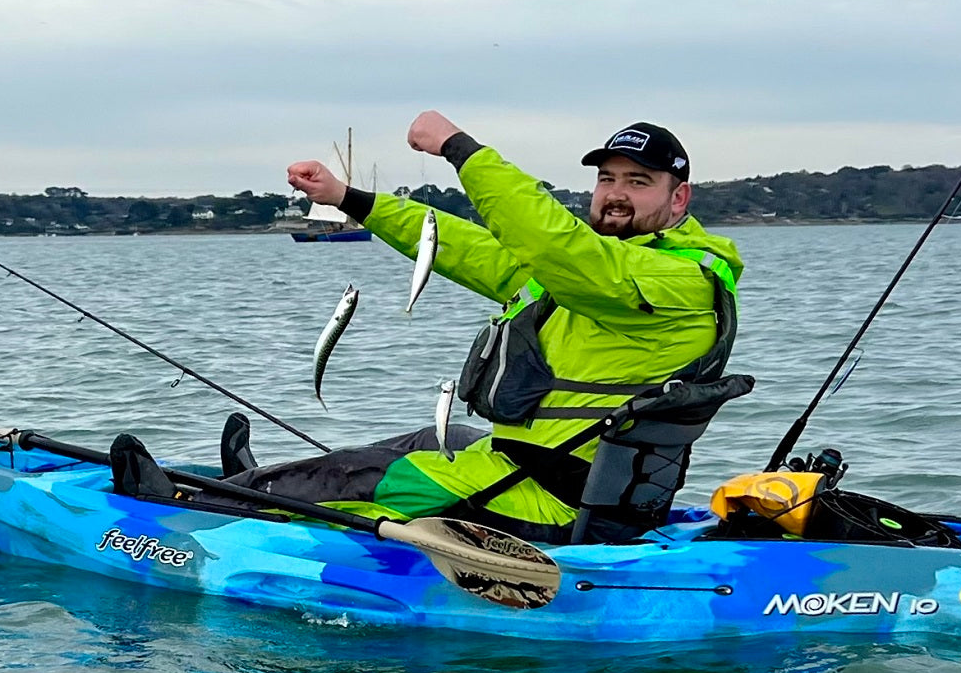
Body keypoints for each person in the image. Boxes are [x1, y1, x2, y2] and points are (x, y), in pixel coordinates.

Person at [112, 110, 745, 543]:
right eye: (607, 179)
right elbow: (465, 248)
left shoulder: (676, 281)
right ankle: (253, 488)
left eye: (639, 182)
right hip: (535, 464)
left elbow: (555, 243)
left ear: (679, 199)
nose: (614, 193)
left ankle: (183, 516)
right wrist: (349, 199)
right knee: (421, 439)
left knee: (369, 481)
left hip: (556, 498)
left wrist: (459, 149)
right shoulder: (604, 268)